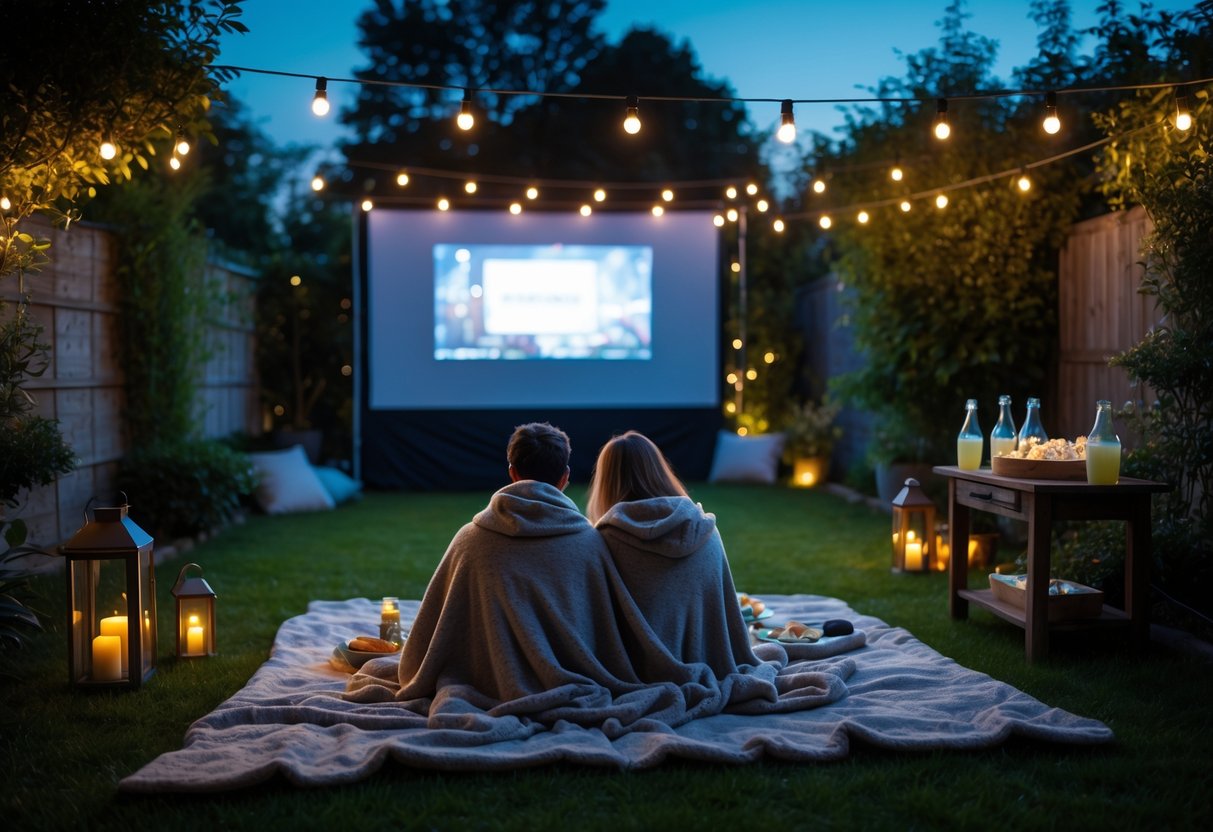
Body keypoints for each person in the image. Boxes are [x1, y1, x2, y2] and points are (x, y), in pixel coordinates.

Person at [586, 431, 760, 676]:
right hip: (707, 662)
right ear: (658, 470)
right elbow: (724, 613)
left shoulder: (601, 542)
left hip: (636, 672)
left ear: (605, 483)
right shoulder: (705, 529)